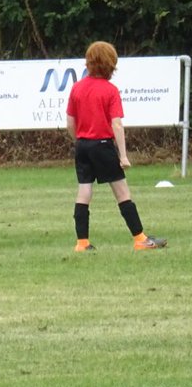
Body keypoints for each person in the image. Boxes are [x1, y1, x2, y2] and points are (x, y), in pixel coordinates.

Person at [66, 41, 167, 252]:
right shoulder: (110, 91)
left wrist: (80, 140)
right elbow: (117, 124)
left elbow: (70, 122)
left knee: (84, 191)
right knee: (122, 192)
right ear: (110, 64)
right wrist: (123, 155)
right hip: (103, 145)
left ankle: (82, 242)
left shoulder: (77, 88)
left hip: (82, 145)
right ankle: (140, 239)